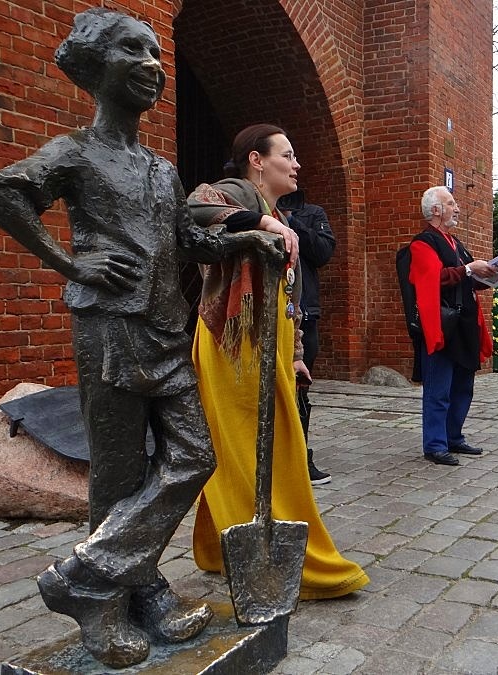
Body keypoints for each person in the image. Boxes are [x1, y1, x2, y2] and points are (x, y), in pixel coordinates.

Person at [0, 8, 231, 667]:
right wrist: (67, 260)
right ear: (95, 67)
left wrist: (242, 240)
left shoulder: (163, 170)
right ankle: (123, 605)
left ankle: (88, 578)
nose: (154, 66)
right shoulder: (73, 152)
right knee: (116, 475)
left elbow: (184, 239)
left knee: (194, 456)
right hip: (110, 326)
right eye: (133, 52)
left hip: (167, 328)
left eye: (157, 55)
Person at [187, 123, 369, 598]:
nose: (296, 164)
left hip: (268, 345)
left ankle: (220, 546)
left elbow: (291, 296)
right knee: (250, 448)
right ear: (256, 160)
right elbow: (194, 206)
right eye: (287, 155)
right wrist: (262, 224)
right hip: (236, 343)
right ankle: (281, 557)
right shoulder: (237, 191)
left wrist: (297, 355)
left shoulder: (280, 210)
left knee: (269, 445)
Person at [408, 186, 496, 466]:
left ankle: (453, 437)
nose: (457, 208)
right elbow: (433, 278)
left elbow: (467, 278)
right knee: (439, 389)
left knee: (463, 386)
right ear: (436, 210)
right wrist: (470, 269)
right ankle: (435, 445)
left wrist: (497, 276)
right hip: (442, 325)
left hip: (465, 324)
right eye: (451, 203)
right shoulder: (423, 243)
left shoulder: (457, 244)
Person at [278, 191, 337, 486]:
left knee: (301, 388)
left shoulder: (312, 214)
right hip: (269, 310)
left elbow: (324, 253)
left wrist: (293, 224)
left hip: (305, 311)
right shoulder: (253, 209)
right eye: (287, 158)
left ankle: (299, 457)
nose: (295, 166)